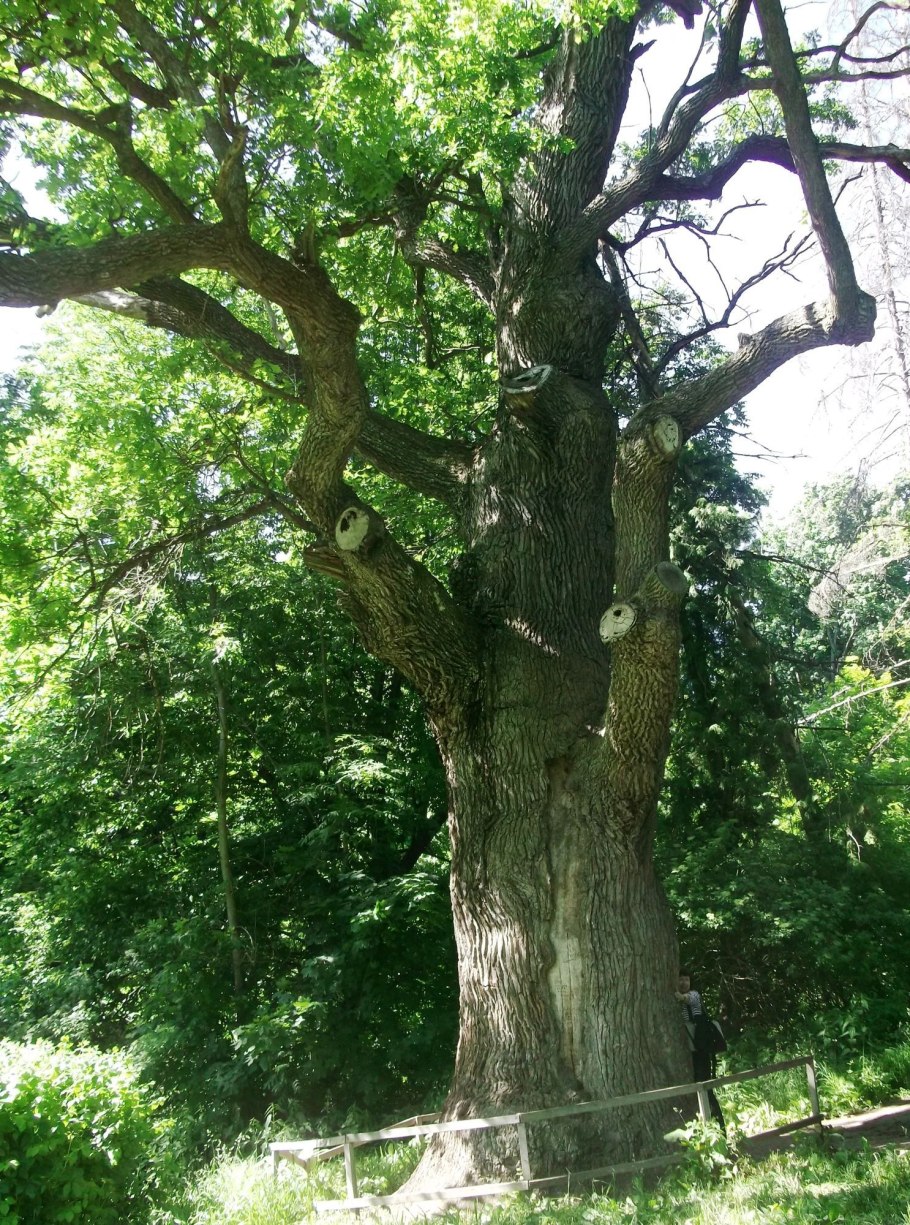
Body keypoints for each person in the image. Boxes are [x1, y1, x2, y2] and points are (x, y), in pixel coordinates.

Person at [675, 972, 725, 1127]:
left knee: (705, 1085)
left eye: (686, 979)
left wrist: (677, 995)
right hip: (693, 1050)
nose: (684, 982)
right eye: (681, 979)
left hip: (701, 1050)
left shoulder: (694, 995)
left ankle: (718, 1125)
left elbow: (688, 999)